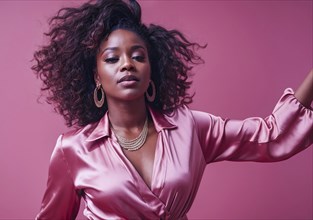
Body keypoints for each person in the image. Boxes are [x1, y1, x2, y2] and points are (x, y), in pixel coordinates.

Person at [32, 0, 313, 219]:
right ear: (96, 76)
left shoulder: (190, 127)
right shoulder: (73, 149)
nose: (127, 64)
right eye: (112, 58)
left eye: (138, 56)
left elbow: (272, 136)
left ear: (151, 69)